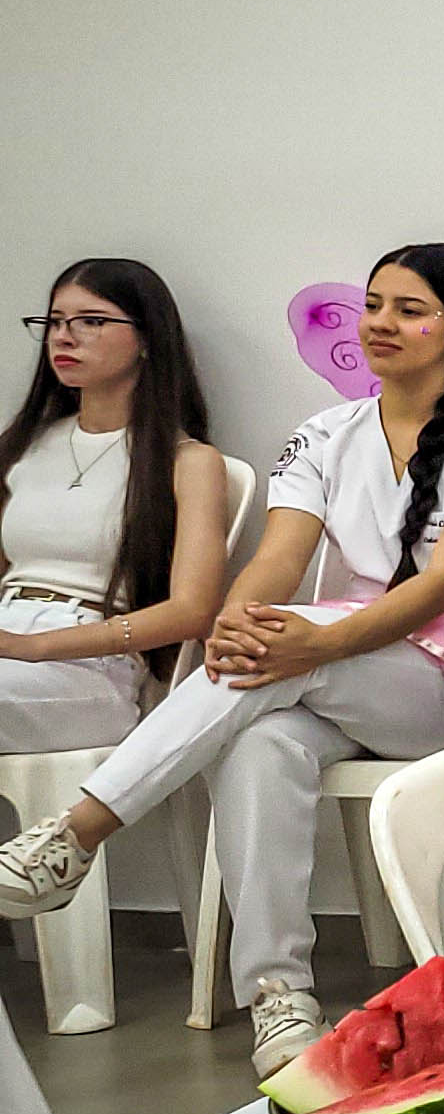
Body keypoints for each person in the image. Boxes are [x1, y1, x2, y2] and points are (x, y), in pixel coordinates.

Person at [0, 246, 444, 1072]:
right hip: (346, 670)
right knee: (261, 740)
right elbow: (275, 561)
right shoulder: (326, 434)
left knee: (283, 660)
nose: (382, 324)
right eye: (373, 305)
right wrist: (238, 620)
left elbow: (440, 588)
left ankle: (78, 833)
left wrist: (313, 642)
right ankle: (279, 999)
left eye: (410, 309)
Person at [0, 259, 234, 753]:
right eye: (55, 321)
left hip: (91, 667)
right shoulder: (22, 446)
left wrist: (34, 647)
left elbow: (191, 612)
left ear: (147, 338)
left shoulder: (188, 461)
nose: (64, 337)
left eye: (91, 321)